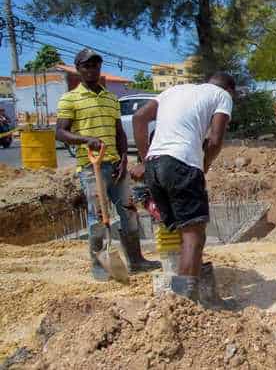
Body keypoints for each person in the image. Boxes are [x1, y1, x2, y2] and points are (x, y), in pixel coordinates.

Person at [55, 48, 161, 280]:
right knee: (97, 218)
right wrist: (85, 140)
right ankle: (99, 267)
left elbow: (119, 133)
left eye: (96, 65)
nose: (92, 69)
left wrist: (124, 158)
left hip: (115, 165)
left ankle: (136, 260)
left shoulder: (111, 99)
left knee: (129, 212)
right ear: (79, 68)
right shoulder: (70, 99)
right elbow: (60, 133)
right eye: (87, 66)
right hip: (91, 167)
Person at [130, 72, 235, 300]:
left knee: (181, 228)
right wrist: (204, 164)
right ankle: (183, 303)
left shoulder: (174, 90)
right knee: (194, 237)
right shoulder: (222, 96)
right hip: (181, 163)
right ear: (229, 90)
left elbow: (139, 118)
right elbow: (216, 140)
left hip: (155, 165)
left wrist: (145, 159)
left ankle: (180, 287)